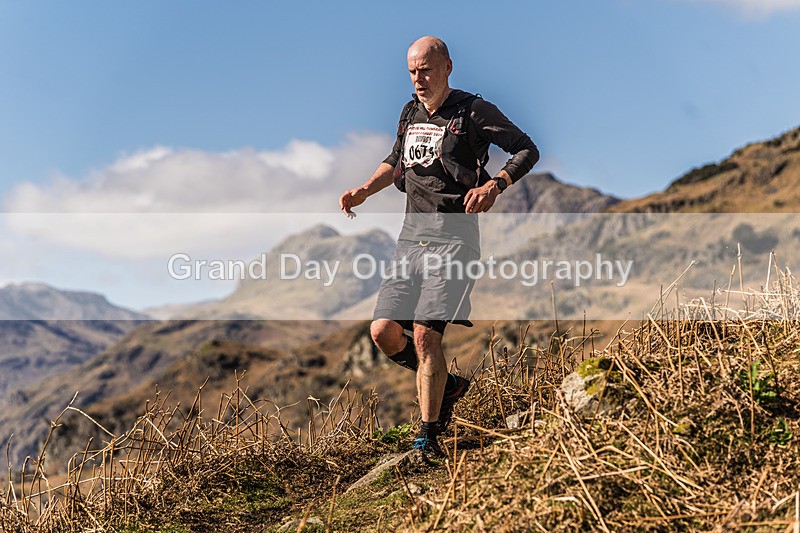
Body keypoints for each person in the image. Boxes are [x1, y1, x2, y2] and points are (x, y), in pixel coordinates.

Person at [339, 36, 539, 457]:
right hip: (411, 239)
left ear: (447, 67)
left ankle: (427, 437)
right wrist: (364, 190)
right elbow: (395, 160)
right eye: (412, 72)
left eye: (426, 70)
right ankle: (447, 385)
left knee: (426, 336)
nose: (419, 79)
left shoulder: (473, 110)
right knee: (383, 331)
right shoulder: (409, 112)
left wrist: (496, 185)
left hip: (454, 241)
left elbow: (526, 149)